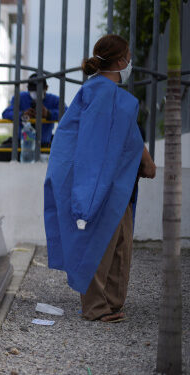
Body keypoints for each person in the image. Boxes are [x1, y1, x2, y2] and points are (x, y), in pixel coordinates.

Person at [44, 35, 156, 323]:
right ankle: (96, 307)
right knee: (103, 243)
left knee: (119, 243)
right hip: (103, 184)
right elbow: (96, 147)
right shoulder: (105, 94)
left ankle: (111, 304)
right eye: (128, 56)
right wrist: (89, 193)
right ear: (120, 62)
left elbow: (127, 135)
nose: (130, 61)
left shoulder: (102, 92)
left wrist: (143, 160)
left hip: (115, 182)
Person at [2, 73, 64, 146]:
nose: (35, 93)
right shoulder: (20, 98)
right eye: (33, 90)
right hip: (22, 144)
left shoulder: (54, 100)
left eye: (38, 90)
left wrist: (48, 114)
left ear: (46, 88)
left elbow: (67, 113)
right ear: (28, 89)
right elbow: (6, 113)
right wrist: (22, 114)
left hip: (44, 144)